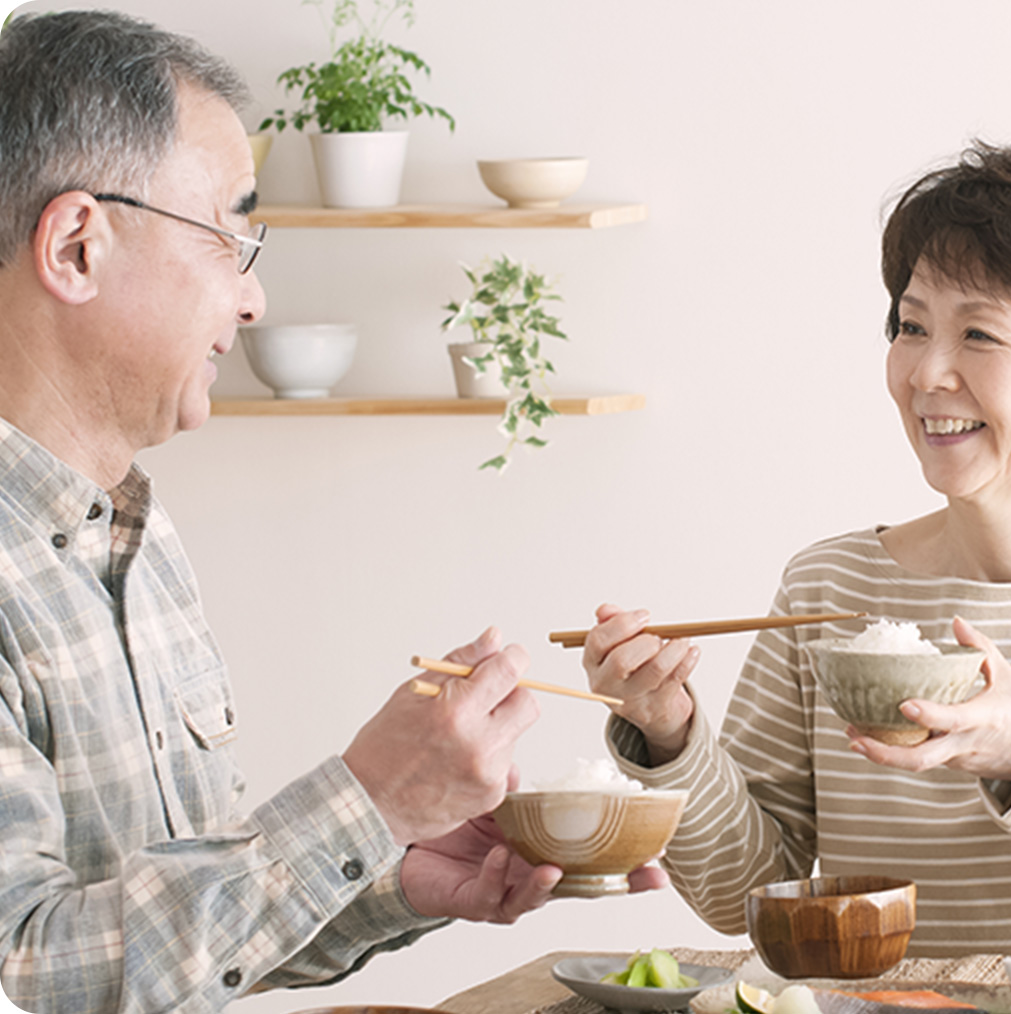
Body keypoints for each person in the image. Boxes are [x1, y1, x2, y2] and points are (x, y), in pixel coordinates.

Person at [0, 10, 666, 1013]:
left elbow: (170, 955)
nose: (254, 301)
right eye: (232, 235)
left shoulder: (136, 533)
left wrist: (389, 871)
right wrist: (366, 802)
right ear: (79, 247)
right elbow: (26, 976)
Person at [583, 141, 1011, 955]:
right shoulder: (829, 583)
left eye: (979, 334)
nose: (926, 372)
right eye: (911, 327)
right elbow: (741, 895)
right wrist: (668, 736)